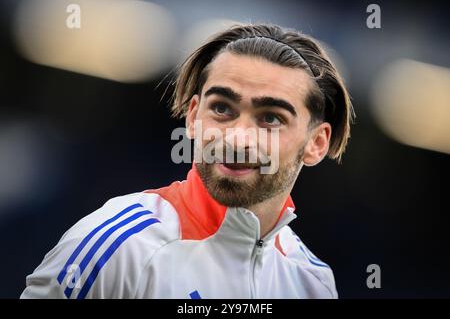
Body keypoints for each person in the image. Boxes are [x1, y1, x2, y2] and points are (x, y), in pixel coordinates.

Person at [21, 23, 354, 299]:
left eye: (270, 118)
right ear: (193, 117)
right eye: (222, 108)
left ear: (316, 143)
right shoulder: (117, 246)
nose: (238, 137)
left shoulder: (313, 282)